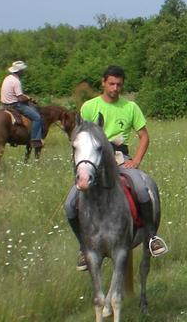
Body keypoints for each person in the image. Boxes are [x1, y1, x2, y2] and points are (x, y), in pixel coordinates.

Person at [66, 65, 167, 270]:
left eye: (119, 85)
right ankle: (84, 247)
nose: (115, 88)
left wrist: (136, 161)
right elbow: (81, 136)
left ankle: (151, 237)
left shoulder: (130, 107)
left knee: (142, 189)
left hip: (121, 159)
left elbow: (144, 136)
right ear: (103, 82)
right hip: (95, 163)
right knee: (70, 204)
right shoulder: (89, 107)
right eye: (111, 84)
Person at [0, 60, 43, 150]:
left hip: (4, 105)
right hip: (14, 105)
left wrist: (27, 97)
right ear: (19, 71)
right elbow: (20, 98)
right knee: (37, 117)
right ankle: (35, 140)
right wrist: (30, 99)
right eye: (22, 70)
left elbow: (17, 94)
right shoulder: (16, 81)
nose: (23, 71)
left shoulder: (7, 78)